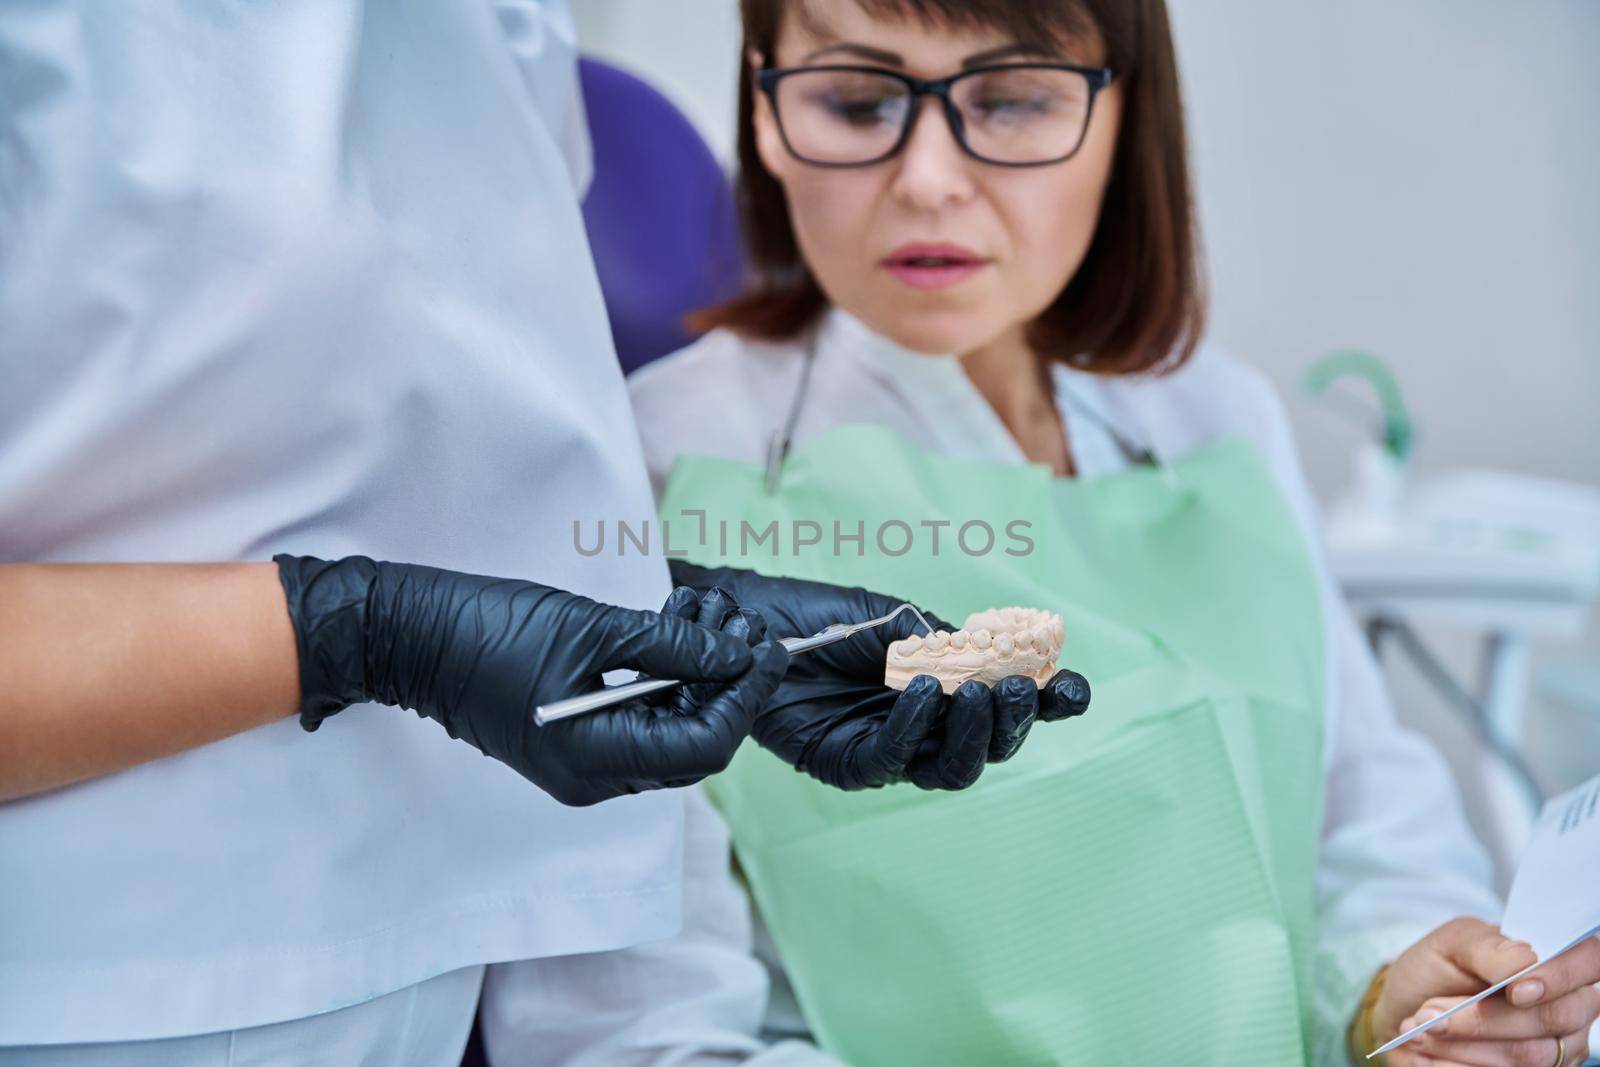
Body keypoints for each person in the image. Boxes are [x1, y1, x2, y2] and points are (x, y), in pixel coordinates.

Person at [0, 2, 1088, 1061]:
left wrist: (647, 602)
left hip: (414, 962)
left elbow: (417, 436)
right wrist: (364, 630)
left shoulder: (495, 26)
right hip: (80, 979)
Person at [624, 1, 1600, 1064]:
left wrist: (1386, 994)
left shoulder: (1214, 421)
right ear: (765, 110)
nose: (930, 179)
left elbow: (1363, 814)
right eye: (858, 102)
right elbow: (644, 1029)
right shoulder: (658, 467)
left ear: (1121, 115)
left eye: (1010, 100)